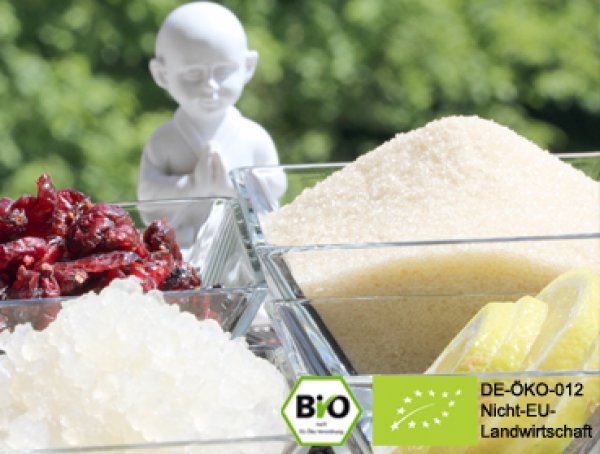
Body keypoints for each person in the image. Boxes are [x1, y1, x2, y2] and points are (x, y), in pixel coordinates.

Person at [137, 2, 285, 265]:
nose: (210, 86)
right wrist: (192, 187)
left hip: (244, 252)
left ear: (247, 67)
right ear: (161, 74)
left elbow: (276, 185)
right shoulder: (164, 141)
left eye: (223, 71)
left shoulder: (254, 138)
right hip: (183, 251)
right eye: (193, 75)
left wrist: (238, 187)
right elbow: (147, 197)